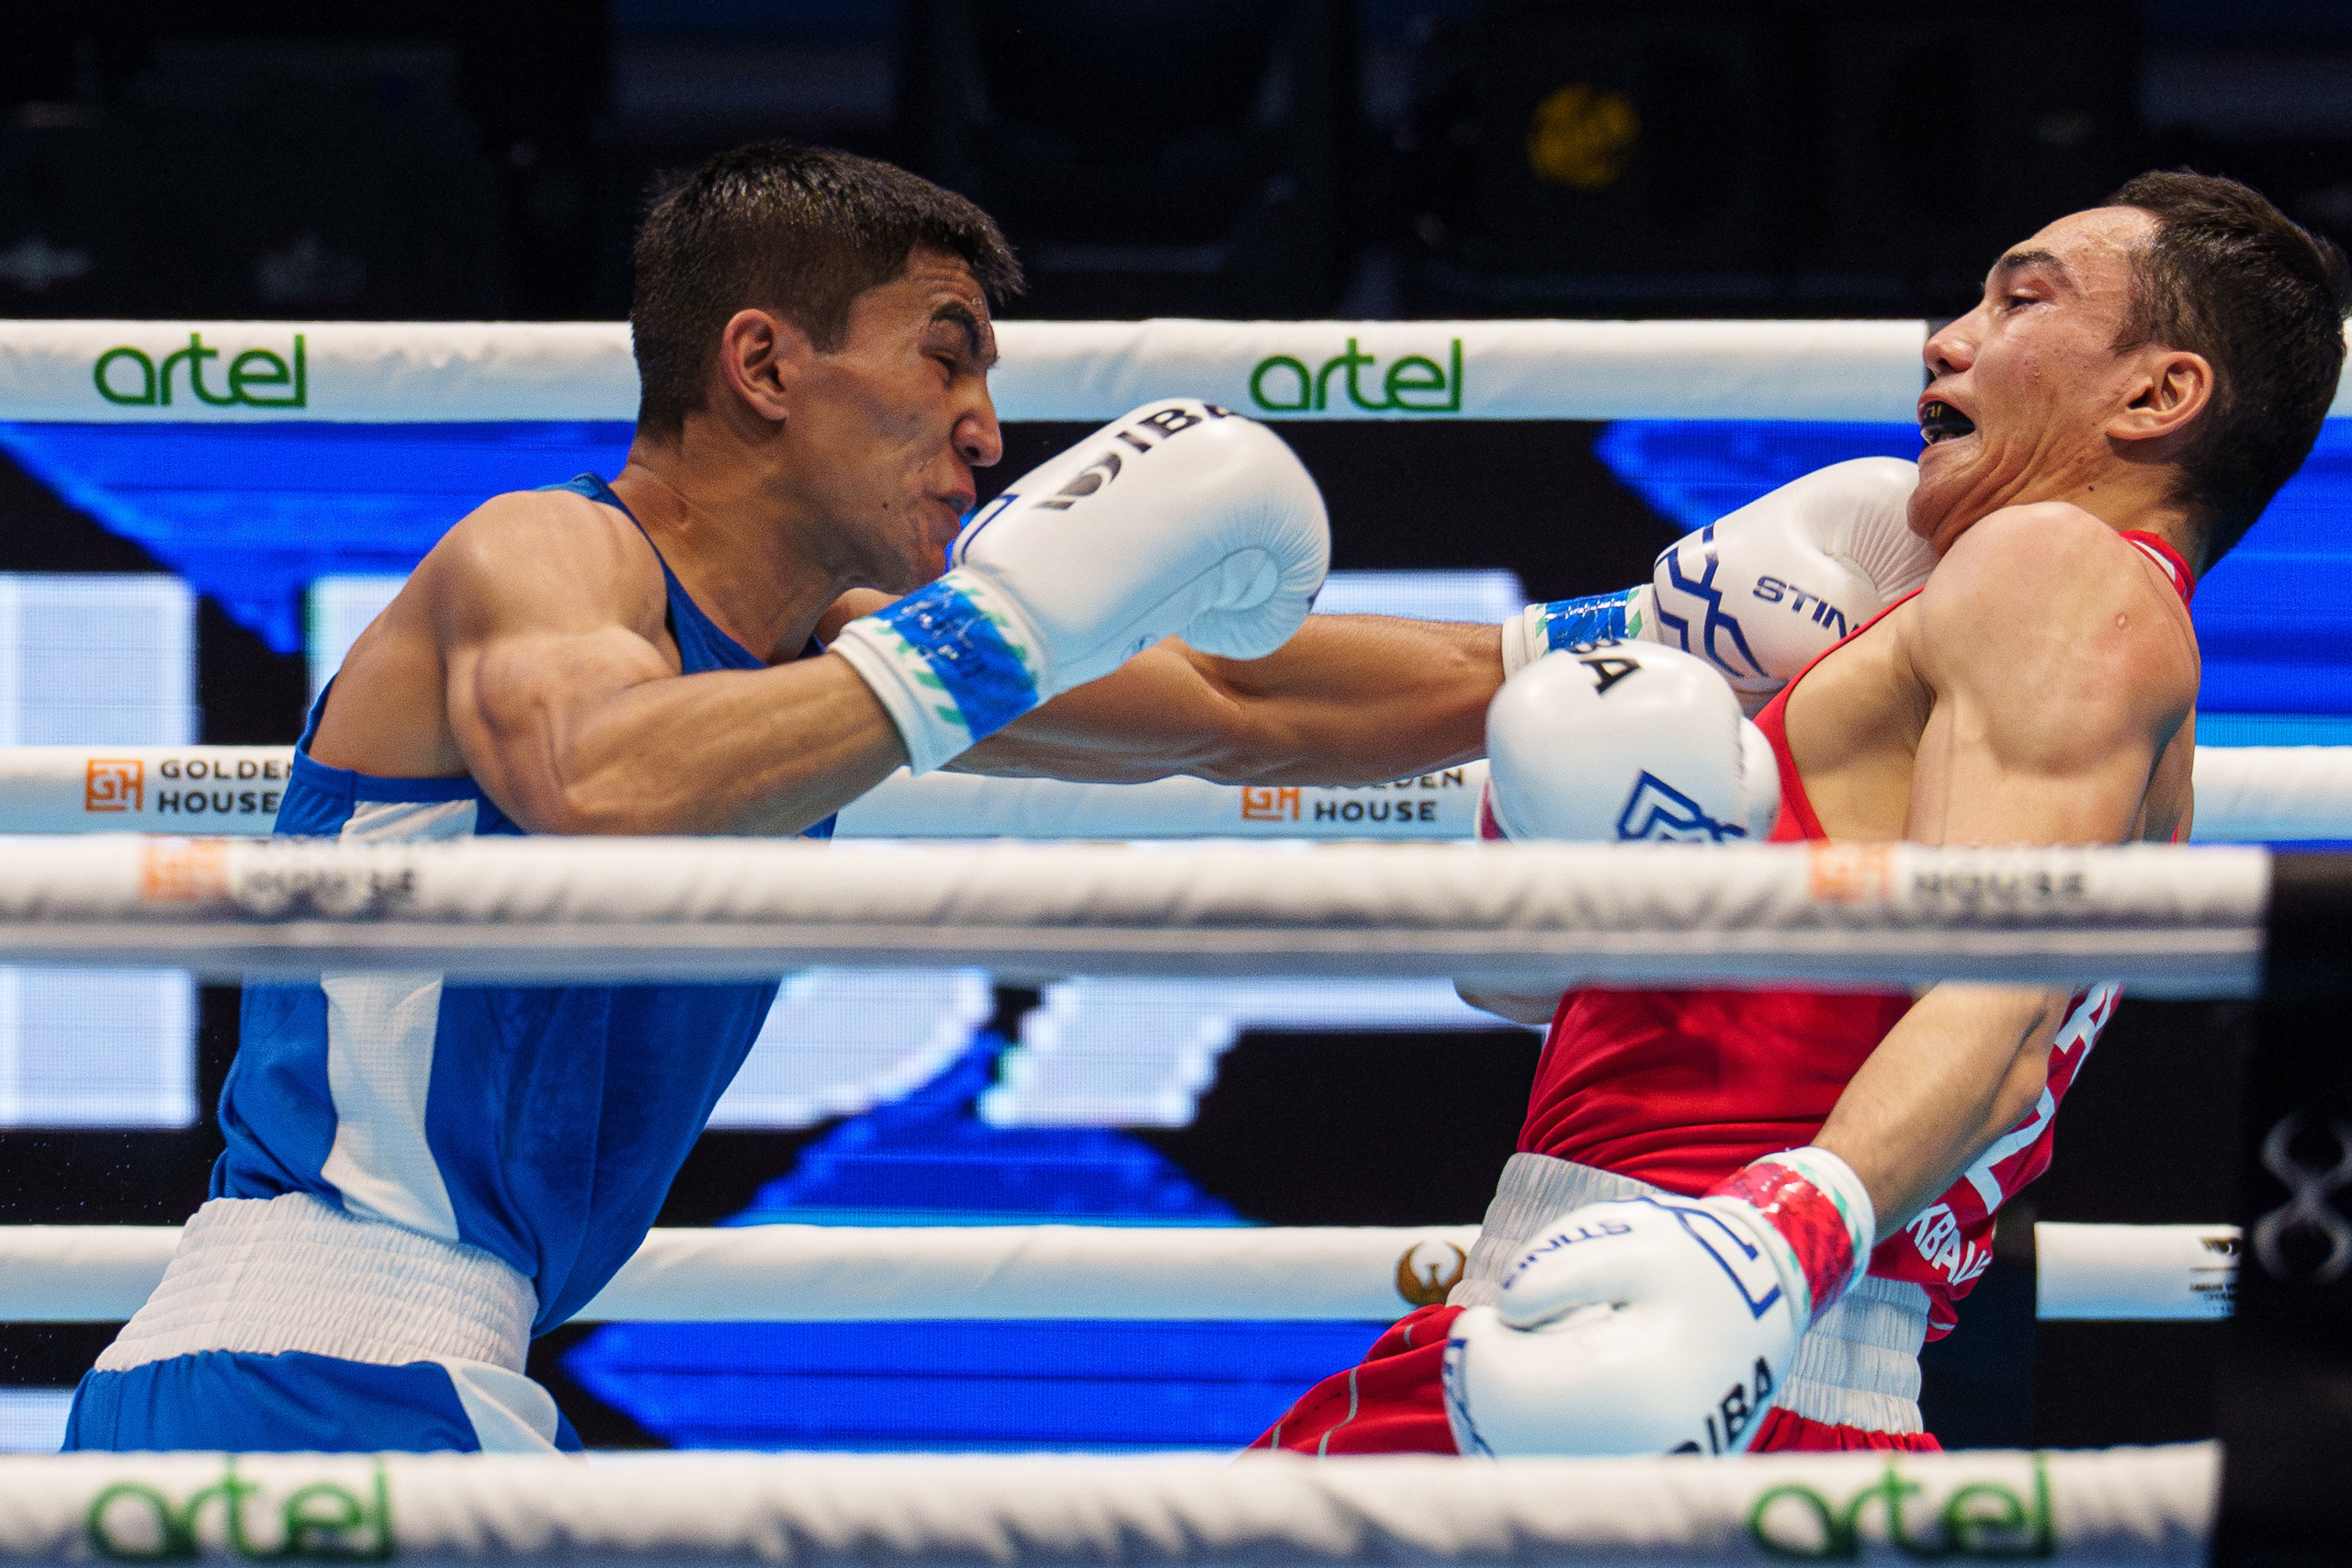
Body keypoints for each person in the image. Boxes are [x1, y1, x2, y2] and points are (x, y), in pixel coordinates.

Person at [1243, 169, 2350, 1456]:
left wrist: (1771, 1242)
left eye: (2022, 301)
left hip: (1691, 1314)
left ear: (2159, 396)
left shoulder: (2057, 569)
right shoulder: (2033, 639)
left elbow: (1996, 1011)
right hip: (1755, 1343)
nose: (1948, 340)